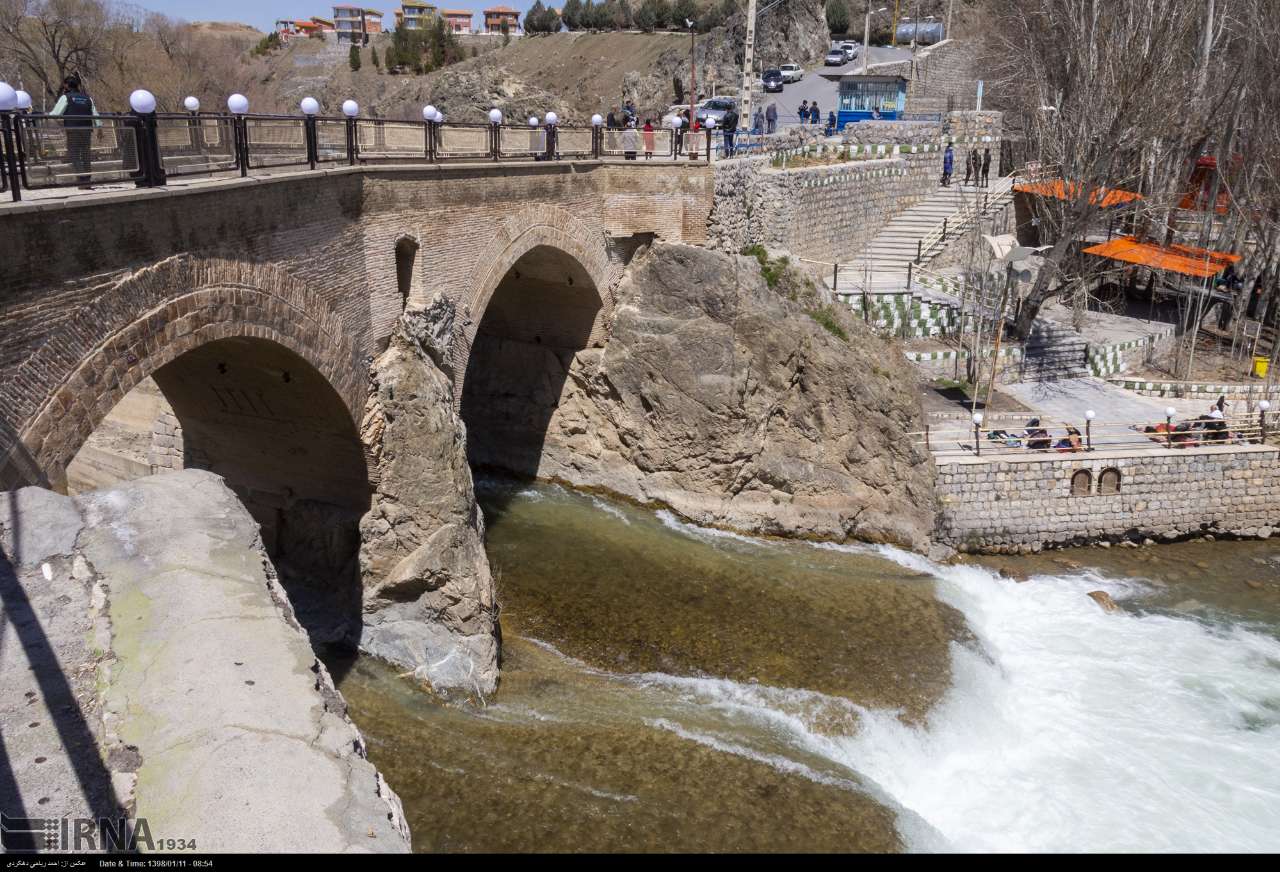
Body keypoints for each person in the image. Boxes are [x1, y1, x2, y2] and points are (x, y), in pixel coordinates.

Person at [49, 73, 99, 189]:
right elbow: (96, 115)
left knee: (74, 154)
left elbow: (56, 113)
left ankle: (83, 178)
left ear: (66, 86)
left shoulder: (66, 97)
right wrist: (99, 127)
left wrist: (47, 115)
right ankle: (87, 179)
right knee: (86, 155)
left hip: (73, 129)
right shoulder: (88, 98)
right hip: (87, 130)